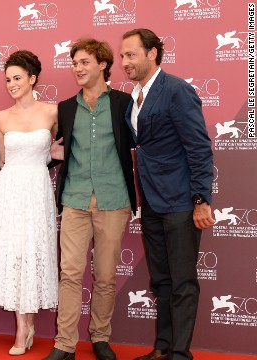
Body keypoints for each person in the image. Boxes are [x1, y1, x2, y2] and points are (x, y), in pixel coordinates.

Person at [120, 28, 214, 360]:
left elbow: (199, 147)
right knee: (161, 280)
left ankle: (180, 353)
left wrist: (202, 198)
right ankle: (162, 348)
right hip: (152, 202)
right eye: (122, 56)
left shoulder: (176, 90)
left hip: (180, 200)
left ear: (152, 54)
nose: (125, 62)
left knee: (182, 282)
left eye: (131, 55)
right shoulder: (134, 97)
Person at [43, 38, 136, 360]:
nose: (78, 69)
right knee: (69, 273)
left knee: (106, 276)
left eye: (84, 62)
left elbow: (140, 144)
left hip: (114, 199)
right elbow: (60, 151)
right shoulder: (66, 108)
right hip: (75, 199)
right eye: (74, 63)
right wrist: (53, 156)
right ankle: (64, 344)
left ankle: (100, 338)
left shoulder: (125, 103)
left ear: (102, 64)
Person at [0, 50, 59, 356]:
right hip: (11, 189)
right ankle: (22, 328)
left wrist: (56, 154)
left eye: (17, 78)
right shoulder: (1, 117)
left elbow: (57, 150)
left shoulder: (52, 113)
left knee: (33, 251)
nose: (11, 84)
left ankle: (29, 325)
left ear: (32, 78)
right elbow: (1, 159)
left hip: (38, 190)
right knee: (14, 255)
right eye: (8, 80)